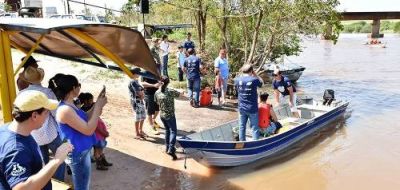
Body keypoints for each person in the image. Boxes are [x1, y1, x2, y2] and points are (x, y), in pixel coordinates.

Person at [0, 90, 73, 190]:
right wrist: (56, 160)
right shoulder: (16, 149)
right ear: (34, 115)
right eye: (46, 112)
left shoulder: (5, 129)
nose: (47, 116)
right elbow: (21, 188)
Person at [50, 74, 107, 190]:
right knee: (82, 186)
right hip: (77, 153)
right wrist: (98, 107)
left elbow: (85, 116)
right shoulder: (65, 110)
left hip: (82, 150)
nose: (80, 88)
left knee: (83, 184)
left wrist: (96, 105)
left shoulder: (70, 104)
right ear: (73, 88)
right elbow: (88, 130)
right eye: (78, 85)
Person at [18, 66, 66, 181]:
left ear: (27, 80)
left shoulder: (21, 94)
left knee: (42, 161)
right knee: (59, 159)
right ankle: (58, 181)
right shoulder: (48, 92)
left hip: (33, 135)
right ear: (41, 78)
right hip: (50, 134)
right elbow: (56, 114)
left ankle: (46, 181)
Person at [77, 92, 112, 171]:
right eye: (91, 100)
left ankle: (103, 161)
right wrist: (103, 132)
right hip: (96, 134)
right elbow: (95, 125)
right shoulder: (88, 111)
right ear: (86, 101)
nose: (92, 101)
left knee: (100, 148)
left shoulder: (87, 108)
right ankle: (99, 164)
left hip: (98, 134)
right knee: (97, 149)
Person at [155, 76, 183, 160]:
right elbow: (180, 94)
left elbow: (156, 102)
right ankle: (171, 149)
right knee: (173, 131)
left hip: (162, 115)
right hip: (170, 115)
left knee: (167, 130)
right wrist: (182, 91)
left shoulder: (157, 92)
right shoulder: (170, 91)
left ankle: (167, 148)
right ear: (168, 83)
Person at [234, 64, 263, 141]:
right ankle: (255, 143)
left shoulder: (237, 79)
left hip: (241, 108)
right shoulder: (254, 80)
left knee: (242, 126)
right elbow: (261, 83)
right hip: (252, 108)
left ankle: (241, 143)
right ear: (251, 71)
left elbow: (237, 89)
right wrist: (256, 75)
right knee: (254, 128)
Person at [128, 68, 147, 139]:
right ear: (135, 73)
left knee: (142, 116)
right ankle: (137, 133)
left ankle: (140, 131)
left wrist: (142, 94)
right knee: (138, 118)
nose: (140, 74)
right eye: (139, 73)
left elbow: (141, 92)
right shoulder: (133, 82)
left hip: (140, 101)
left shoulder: (136, 81)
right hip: (136, 102)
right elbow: (139, 93)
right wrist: (142, 94)